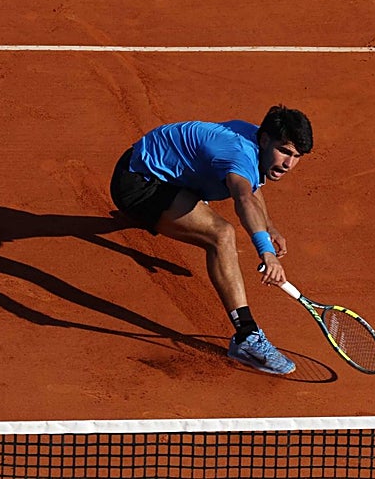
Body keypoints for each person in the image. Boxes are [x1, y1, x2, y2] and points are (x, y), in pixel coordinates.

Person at [108, 105, 314, 375]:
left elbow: (251, 184)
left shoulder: (256, 141)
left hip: (167, 170)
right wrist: (266, 251)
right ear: (265, 140)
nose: (289, 164)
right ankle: (246, 337)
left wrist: (269, 226)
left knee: (221, 194)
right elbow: (243, 198)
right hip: (138, 183)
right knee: (221, 235)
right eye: (285, 152)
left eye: (297, 156)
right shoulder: (238, 155)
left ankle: (176, 211)